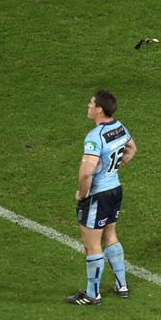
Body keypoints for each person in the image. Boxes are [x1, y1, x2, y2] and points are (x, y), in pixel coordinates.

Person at [66, 90, 137, 305]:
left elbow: (87, 172)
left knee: (92, 244)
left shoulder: (94, 137)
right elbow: (132, 149)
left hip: (97, 195)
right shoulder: (119, 127)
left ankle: (92, 294)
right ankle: (121, 285)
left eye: (91, 103)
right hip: (115, 189)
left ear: (99, 109)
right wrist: (114, 169)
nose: (88, 106)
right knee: (111, 236)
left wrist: (83, 193)